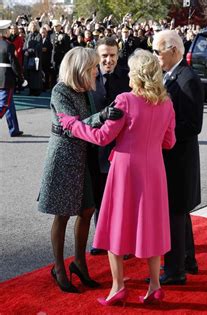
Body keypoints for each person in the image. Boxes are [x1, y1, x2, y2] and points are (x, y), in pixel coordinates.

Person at [58, 49, 175, 305]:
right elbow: (169, 141)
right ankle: (155, 285)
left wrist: (71, 124)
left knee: (116, 227)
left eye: (131, 72)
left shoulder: (125, 100)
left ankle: (118, 287)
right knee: (151, 226)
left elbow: (102, 137)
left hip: (125, 170)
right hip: (154, 171)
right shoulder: (167, 103)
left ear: (138, 76)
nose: (129, 76)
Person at [37, 47, 120, 293]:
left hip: (84, 158)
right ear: (80, 69)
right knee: (62, 214)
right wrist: (102, 117)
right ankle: (59, 268)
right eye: (93, 67)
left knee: (87, 209)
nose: (97, 71)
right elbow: (72, 126)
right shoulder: (60, 91)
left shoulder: (86, 91)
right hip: (63, 159)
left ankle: (80, 263)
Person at [153, 30, 203, 285]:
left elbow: (194, 125)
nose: (156, 56)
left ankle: (175, 271)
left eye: (158, 51)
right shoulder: (171, 75)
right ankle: (188, 260)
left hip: (179, 159)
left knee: (175, 213)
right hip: (174, 158)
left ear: (173, 50)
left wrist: (163, 135)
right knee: (180, 213)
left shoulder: (187, 79)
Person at [88, 37, 131, 256]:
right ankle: (101, 239)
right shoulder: (89, 76)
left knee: (121, 198)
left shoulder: (127, 77)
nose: (108, 60)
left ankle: (123, 242)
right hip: (96, 147)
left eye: (112, 55)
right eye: (104, 55)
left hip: (122, 147)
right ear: (97, 55)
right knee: (99, 196)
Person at [0, 20, 24, 137]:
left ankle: (14, 129)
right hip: (6, 79)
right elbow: (14, 64)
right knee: (4, 105)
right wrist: (21, 77)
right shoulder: (9, 45)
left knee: (10, 105)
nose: (10, 31)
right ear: (4, 31)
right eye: (8, 29)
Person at [22, 21, 42, 96]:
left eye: (34, 26)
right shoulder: (28, 35)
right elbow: (24, 46)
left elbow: (38, 47)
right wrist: (25, 51)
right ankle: (30, 90)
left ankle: (36, 90)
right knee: (29, 74)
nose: (33, 27)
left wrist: (29, 51)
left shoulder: (38, 35)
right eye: (32, 25)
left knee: (35, 74)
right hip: (28, 58)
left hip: (35, 58)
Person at [50, 19, 70, 85]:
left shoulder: (65, 36)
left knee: (61, 73)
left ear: (60, 26)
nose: (55, 28)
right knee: (53, 73)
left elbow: (67, 47)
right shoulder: (51, 35)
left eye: (57, 26)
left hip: (61, 57)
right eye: (54, 26)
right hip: (53, 58)